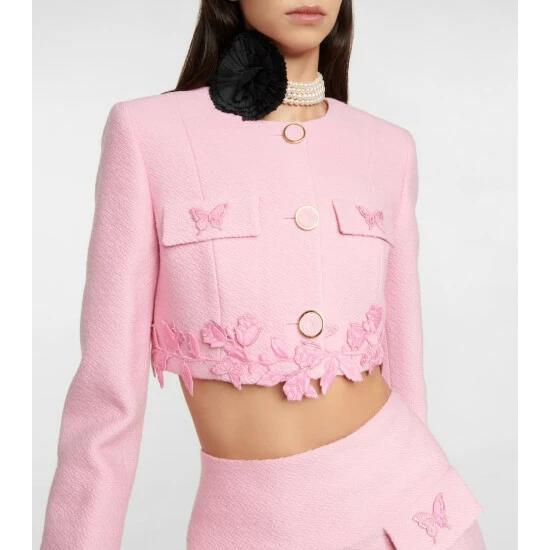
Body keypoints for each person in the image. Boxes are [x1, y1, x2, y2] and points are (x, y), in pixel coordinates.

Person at [40, 1, 487, 548]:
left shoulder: (389, 147)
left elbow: (402, 362)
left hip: (413, 510)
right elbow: (107, 395)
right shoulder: (149, 133)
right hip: (250, 527)